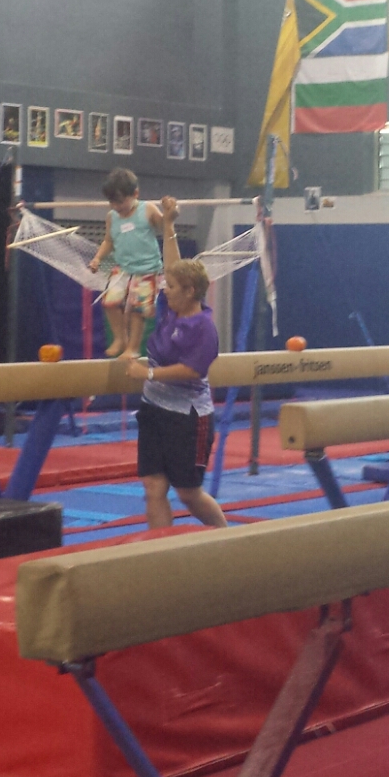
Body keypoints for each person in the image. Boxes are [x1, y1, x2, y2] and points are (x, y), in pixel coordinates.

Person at [120, 196, 227, 530]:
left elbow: (192, 371)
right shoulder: (172, 308)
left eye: (172, 287)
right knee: (153, 488)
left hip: (188, 417)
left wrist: (148, 372)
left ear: (190, 291)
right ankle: (163, 551)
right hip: (154, 410)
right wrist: (168, 224)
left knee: (188, 493)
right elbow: (172, 267)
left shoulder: (203, 327)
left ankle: (226, 539)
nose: (164, 289)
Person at [88, 168, 167, 360]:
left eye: (120, 202)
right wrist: (98, 258)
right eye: (112, 202)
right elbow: (108, 241)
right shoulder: (112, 217)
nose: (116, 206)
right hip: (123, 269)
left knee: (138, 309)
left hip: (147, 269)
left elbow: (165, 227)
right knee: (109, 303)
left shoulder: (147, 209)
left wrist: (169, 213)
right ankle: (120, 338)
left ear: (135, 194)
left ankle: (133, 347)